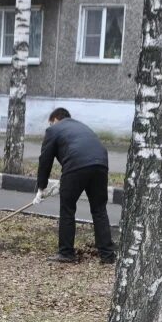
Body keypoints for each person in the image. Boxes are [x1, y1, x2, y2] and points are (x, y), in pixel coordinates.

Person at [34, 107, 115, 265]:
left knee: (67, 208)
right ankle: (107, 255)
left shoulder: (54, 130)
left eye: (51, 123)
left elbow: (45, 160)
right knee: (99, 209)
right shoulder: (81, 127)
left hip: (77, 165)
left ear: (56, 119)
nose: (50, 127)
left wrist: (40, 188)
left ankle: (66, 253)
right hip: (100, 164)